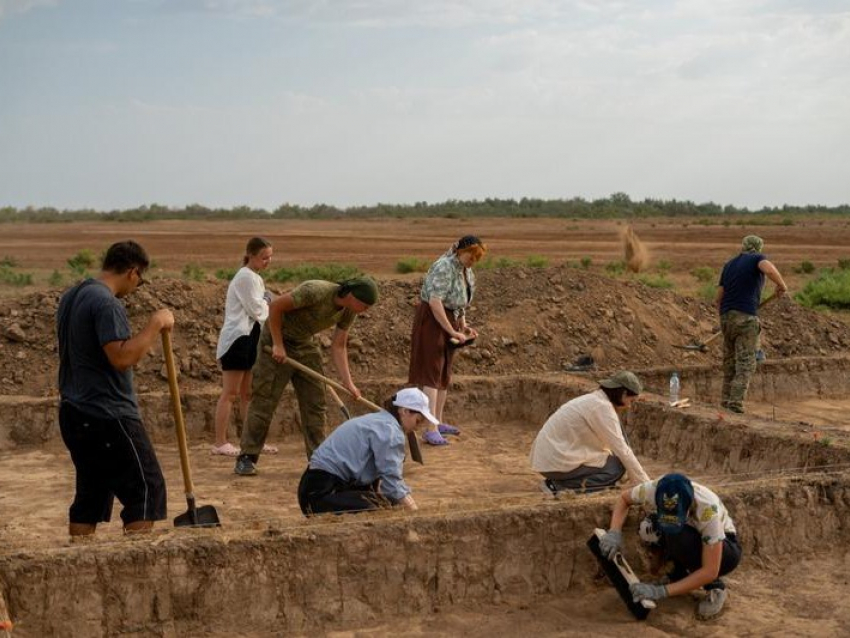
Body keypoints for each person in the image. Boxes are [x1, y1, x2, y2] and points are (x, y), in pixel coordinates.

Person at [56, 240, 174, 536]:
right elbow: (122, 357)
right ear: (133, 272)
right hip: (107, 415)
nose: (136, 287)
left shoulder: (72, 296)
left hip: (73, 411)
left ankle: (80, 567)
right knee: (146, 490)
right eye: (140, 280)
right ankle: (136, 571)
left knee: (91, 495)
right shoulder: (106, 303)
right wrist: (155, 324)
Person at [234, 276, 379, 475]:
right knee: (264, 400)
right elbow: (275, 307)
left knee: (315, 402)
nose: (366, 310)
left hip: (304, 344)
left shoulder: (349, 311)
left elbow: (339, 345)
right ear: (352, 295)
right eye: (365, 305)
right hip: (276, 340)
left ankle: (319, 458)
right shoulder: (315, 291)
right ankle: (247, 457)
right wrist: (278, 344)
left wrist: (348, 383)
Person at [598, 473, 742, 621]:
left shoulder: (707, 511)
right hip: (689, 534)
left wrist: (660, 592)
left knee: (681, 538)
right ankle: (677, 576)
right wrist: (614, 531)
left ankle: (716, 587)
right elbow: (624, 498)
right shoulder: (655, 489)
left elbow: (710, 570)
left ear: (688, 507)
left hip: (725, 549)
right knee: (648, 528)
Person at [297, 387, 436, 515]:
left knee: (388, 502)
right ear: (404, 411)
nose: (418, 427)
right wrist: (415, 513)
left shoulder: (380, 421)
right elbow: (392, 484)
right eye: (418, 421)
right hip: (319, 494)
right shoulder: (390, 431)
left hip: (317, 486)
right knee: (382, 506)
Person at [408, 235, 487, 446]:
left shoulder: (465, 271)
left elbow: (459, 302)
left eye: (476, 258)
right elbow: (435, 302)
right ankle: (430, 428)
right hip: (432, 321)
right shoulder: (444, 267)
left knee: (443, 372)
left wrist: (462, 325)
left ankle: (438, 421)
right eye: (472, 255)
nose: (473, 261)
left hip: (448, 318)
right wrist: (451, 330)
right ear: (462, 251)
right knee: (431, 374)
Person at [530, 371, 650, 495]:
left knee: (616, 455)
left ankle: (570, 482)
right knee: (616, 468)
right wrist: (645, 485)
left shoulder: (595, 400)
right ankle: (557, 486)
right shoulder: (602, 408)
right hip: (555, 462)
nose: (629, 406)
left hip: (549, 459)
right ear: (624, 394)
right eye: (631, 401)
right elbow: (621, 448)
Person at [212, 237, 274, 457]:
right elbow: (257, 310)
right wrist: (268, 301)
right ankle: (220, 442)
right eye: (264, 257)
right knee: (230, 393)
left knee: (247, 394)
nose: (268, 261)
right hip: (238, 340)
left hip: (250, 338)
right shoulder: (246, 277)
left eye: (270, 257)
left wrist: (266, 301)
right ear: (251, 255)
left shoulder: (254, 277)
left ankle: (251, 441)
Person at [715, 235, 788, 413]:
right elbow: (768, 269)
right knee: (746, 362)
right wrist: (782, 285)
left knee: (730, 362)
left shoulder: (729, 265)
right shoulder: (757, 259)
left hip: (726, 317)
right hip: (745, 318)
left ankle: (725, 401)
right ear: (758, 248)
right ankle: (735, 404)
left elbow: (719, 298)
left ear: (743, 246)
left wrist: (727, 317)